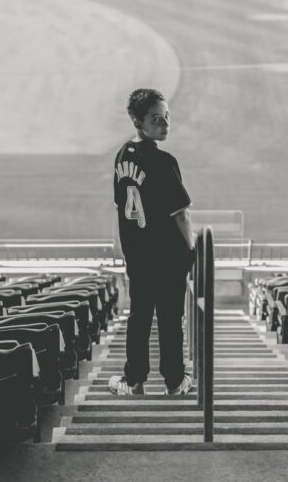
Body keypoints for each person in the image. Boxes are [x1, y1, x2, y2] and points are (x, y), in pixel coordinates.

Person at [109, 88, 196, 396]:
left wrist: (124, 245)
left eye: (166, 117)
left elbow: (122, 207)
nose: (164, 123)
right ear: (137, 120)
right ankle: (174, 381)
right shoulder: (163, 161)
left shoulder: (123, 155)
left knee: (140, 316)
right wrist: (193, 249)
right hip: (169, 255)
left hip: (139, 254)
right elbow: (181, 216)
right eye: (156, 119)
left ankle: (133, 381)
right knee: (171, 319)